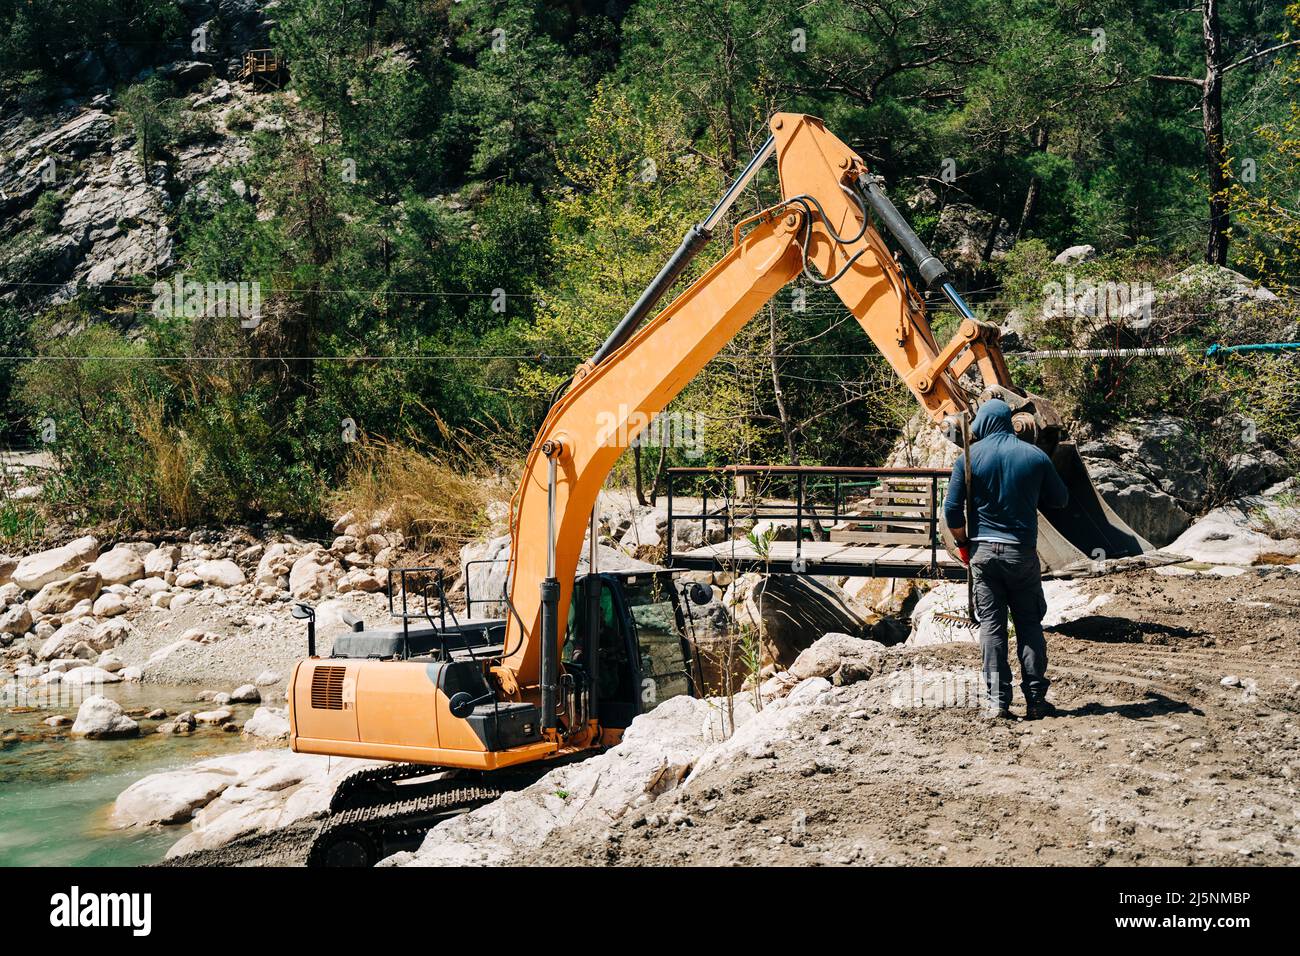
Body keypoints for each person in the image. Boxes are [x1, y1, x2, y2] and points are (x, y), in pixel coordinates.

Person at [943, 399, 1068, 721]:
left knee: (992, 629)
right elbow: (1060, 500)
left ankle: (998, 702)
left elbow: (952, 512)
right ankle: (1037, 700)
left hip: (983, 554)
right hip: (1021, 554)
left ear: (983, 423)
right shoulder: (1035, 456)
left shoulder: (968, 461)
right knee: (1029, 625)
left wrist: (962, 544)